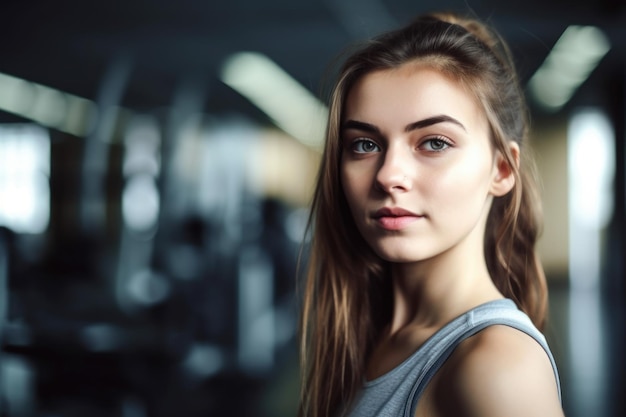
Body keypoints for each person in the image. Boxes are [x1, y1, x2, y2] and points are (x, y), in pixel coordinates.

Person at [297, 12, 564, 417]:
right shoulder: (374, 336)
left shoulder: (499, 366)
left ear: (501, 169)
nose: (388, 175)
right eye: (365, 145)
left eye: (434, 143)